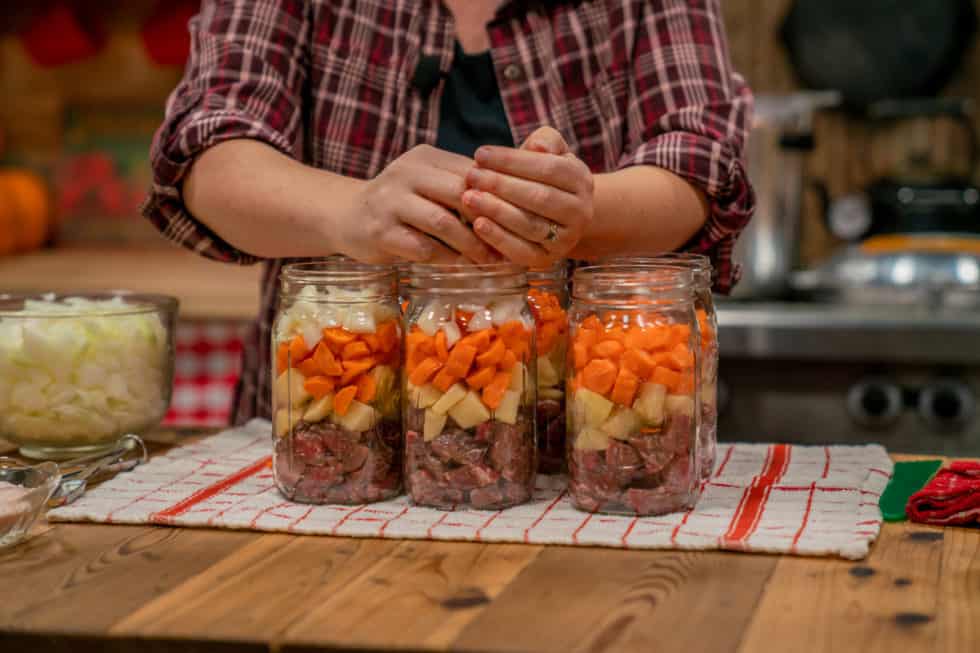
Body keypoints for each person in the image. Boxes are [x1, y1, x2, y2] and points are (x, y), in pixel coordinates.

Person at [144, 0, 755, 424]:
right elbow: (211, 152)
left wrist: (581, 211)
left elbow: (697, 159)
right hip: (327, 392)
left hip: (595, 411)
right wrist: (352, 212)